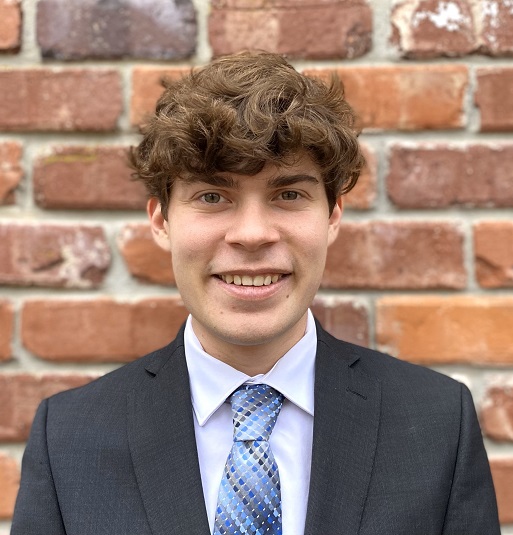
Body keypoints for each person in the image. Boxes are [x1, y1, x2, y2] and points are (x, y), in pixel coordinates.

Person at [12, 51, 500, 535]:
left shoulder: (438, 425)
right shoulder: (69, 438)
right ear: (161, 221)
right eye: (212, 196)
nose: (251, 234)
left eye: (288, 195)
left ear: (332, 216)